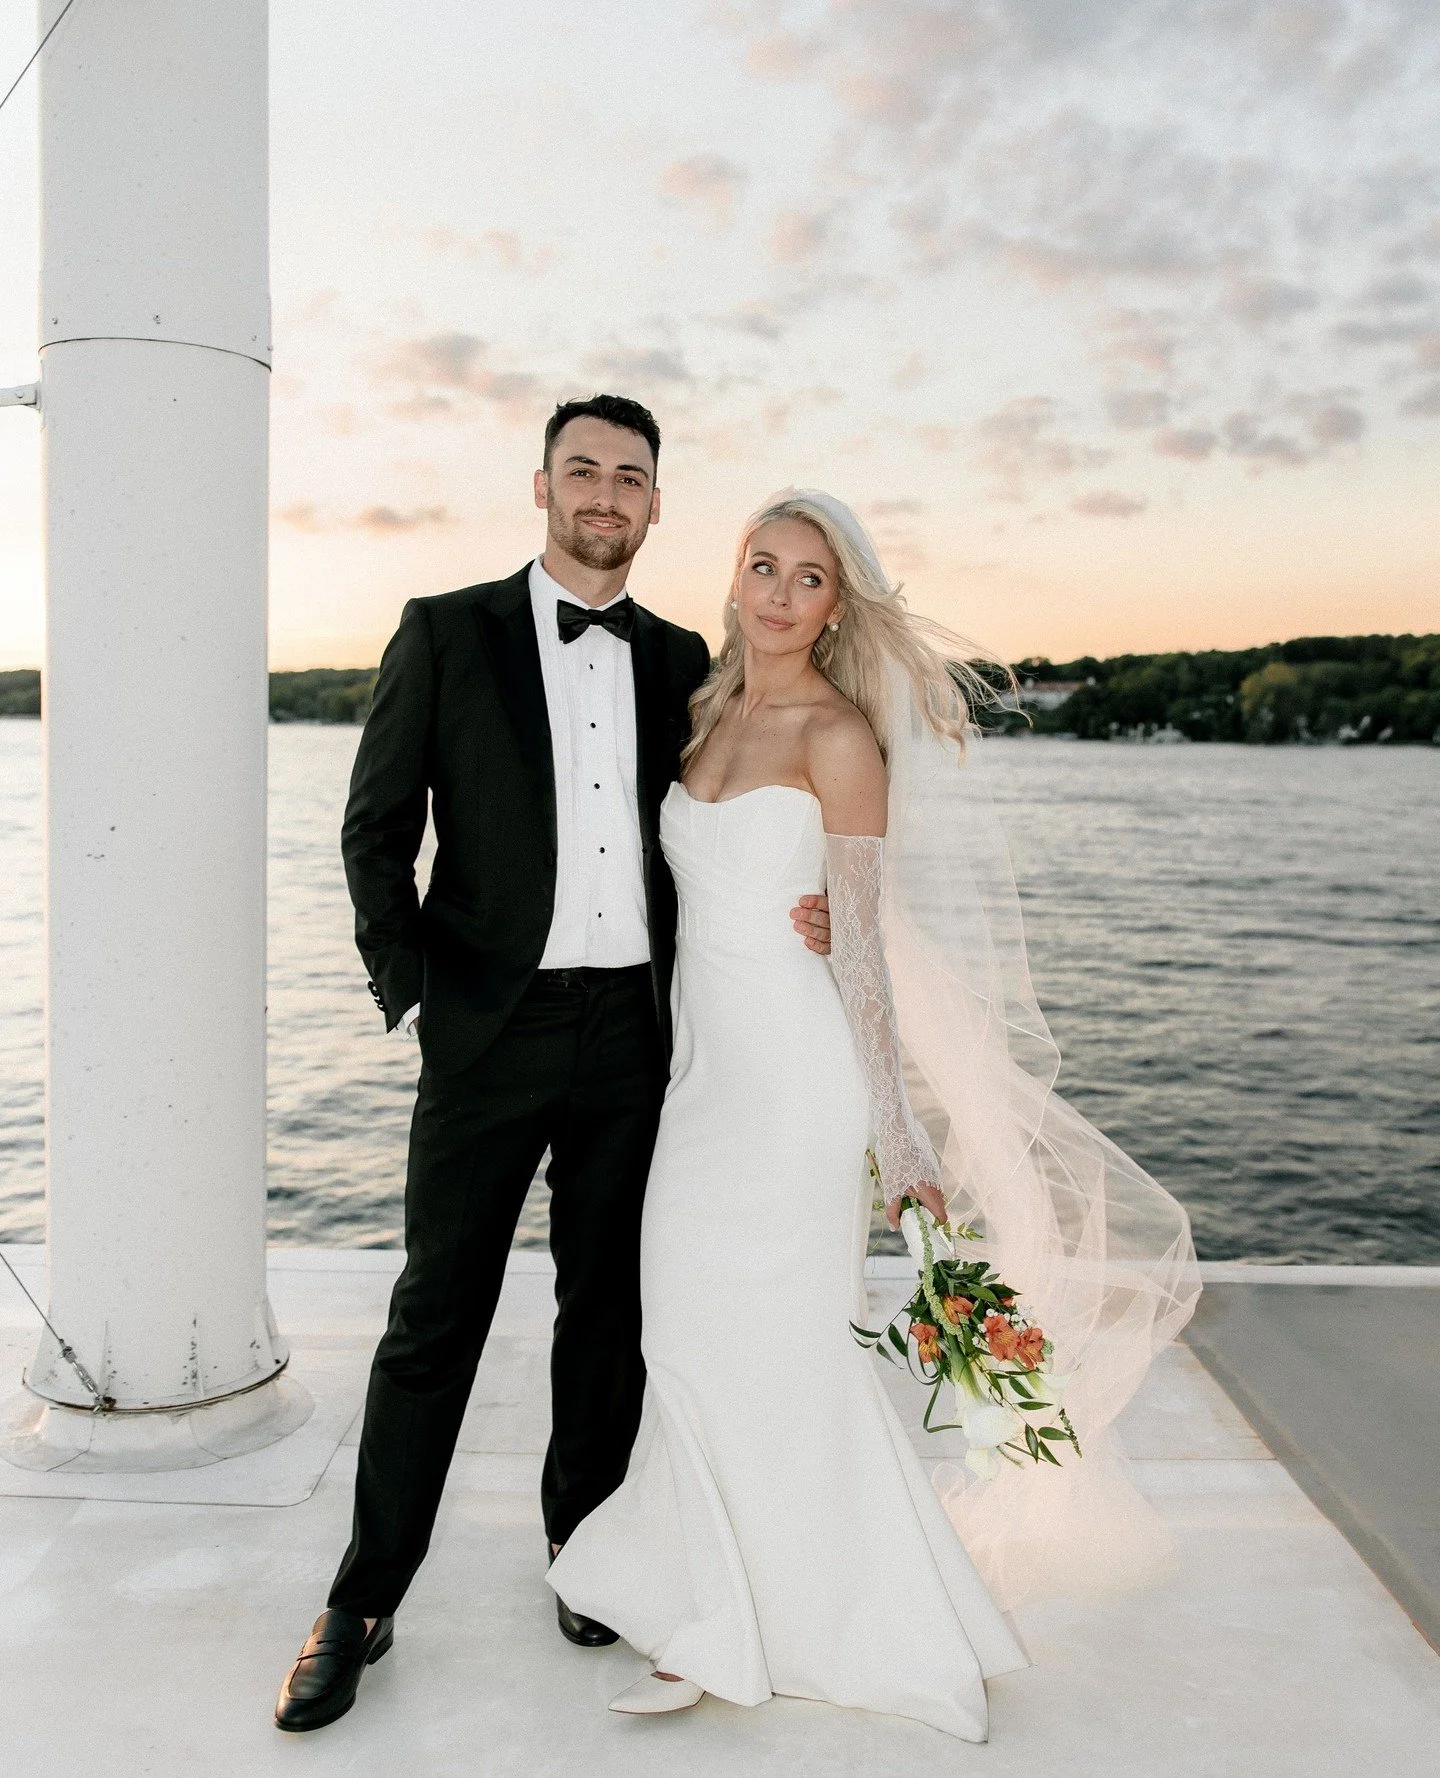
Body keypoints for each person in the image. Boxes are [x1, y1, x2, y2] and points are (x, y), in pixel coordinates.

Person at [547, 490, 1199, 1740]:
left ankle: (786, 1620)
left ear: (840, 604)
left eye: (810, 578)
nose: (781, 594)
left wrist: (896, 1130)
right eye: (763, 567)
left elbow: (864, 952)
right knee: (684, 1335)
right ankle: (707, 1594)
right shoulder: (703, 709)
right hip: (702, 1081)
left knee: (790, 1350)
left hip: (799, 1084)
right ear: (733, 579)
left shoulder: (843, 737)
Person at [273, 398, 833, 1733]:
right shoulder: (445, 630)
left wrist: (819, 901)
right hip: (486, 1030)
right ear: (541, 484)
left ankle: (589, 1555)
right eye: (582, 467)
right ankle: (362, 1596)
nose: (604, 492)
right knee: (434, 1317)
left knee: (610, 1319)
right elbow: (373, 833)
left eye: (629, 477)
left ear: (654, 508)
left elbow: (772, 776)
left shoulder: (686, 656)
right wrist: (415, 994)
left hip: (636, 1036)